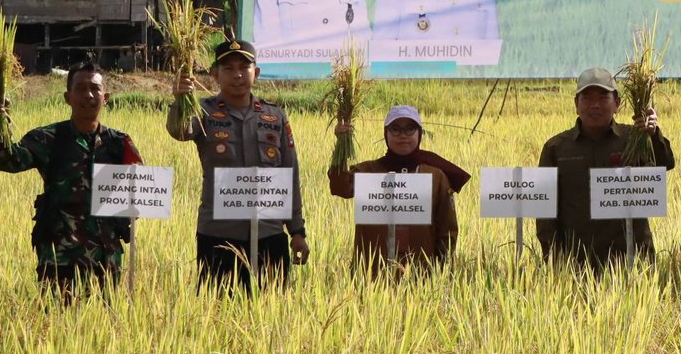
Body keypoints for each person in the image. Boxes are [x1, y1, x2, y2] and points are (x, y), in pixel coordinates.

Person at [167, 38, 309, 291]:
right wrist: (180, 99)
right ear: (214, 74)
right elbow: (179, 131)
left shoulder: (274, 116)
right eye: (228, 68)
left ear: (257, 72)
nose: (237, 74)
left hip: (269, 232)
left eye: (244, 67)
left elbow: (290, 174)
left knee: (272, 314)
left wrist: (297, 231)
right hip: (219, 233)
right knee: (217, 311)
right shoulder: (203, 112)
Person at [0, 61, 142, 297]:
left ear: (106, 97)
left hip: (106, 257)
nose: (88, 95)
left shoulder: (119, 143)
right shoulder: (47, 138)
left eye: (95, 88)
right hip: (59, 256)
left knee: (103, 327)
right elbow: (8, 162)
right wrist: (1, 125)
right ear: (67, 97)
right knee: (56, 326)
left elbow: (141, 190)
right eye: (80, 88)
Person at [536, 68, 672, 268]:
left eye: (603, 97)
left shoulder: (635, 139)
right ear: (576, 104)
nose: (595, 105)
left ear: (617, 103)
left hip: (632, 259)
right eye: (587, 98)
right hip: (576, 261)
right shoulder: (556, 148)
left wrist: (653, 135)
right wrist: (553, 258)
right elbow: (544, 209)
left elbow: (664, 165)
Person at [328, 105, 470, 272]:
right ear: (386, 134)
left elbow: (447, 229)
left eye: (410, 129)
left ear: (419, 134)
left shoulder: (435, 176)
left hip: (420, 275)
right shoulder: (368, 171)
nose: (403, 135)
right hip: (371, 274)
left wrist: (442, 269)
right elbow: (340, 187)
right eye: (395, 129)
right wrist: (341, 144)